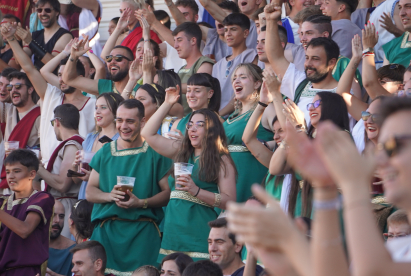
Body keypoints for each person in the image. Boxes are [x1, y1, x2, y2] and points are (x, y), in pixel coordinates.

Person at [142, 90, 236, 261]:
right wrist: (167, 103)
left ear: (212, 130)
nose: (192, 128)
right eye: (190, 124)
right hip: (173, 231)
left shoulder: (222, 160)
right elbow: (147, 133)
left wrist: (196, 191)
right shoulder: (181, 151)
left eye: (199, 125)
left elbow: (229, 200)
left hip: (198, 231)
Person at [86, 99, 172, 274]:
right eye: (119, 120)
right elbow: (90, 191)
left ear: (142, 122)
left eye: (130, 121)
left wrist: (141, 203)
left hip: (143, 235)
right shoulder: (106, 151)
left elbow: (168, 193)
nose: (123, 126)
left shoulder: (155, 151)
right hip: (107, 234)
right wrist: (110, 196)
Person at [0, 24, 96, 168]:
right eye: (59, 75)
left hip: (78, 175)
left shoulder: (94, 104)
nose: (62, 79)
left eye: (67, 75)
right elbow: (29, 68)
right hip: (46, 175)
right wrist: (11, 39)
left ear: (80, 77)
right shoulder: (51, 95)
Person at [264, 2, 341, 124]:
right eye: (306, 58)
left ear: (332, 63)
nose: (308, 63)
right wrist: (271, 21)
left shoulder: (343, 93)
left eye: (315, 59)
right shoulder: (301, 83)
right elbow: (275, 57)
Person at [0, 149, 54, 275]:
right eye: (7, 172)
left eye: (17, 171)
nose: (11, 176)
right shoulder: (2, 202)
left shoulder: (42, 198)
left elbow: (25, 230)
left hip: (28, 271)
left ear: (32, 174)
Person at [224, 63, 273, 202]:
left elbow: (288, 138)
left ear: (257, 83)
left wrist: (268, 144)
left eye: (243, 77)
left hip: (252, 182)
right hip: (228, 184)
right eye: (234, 78)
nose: (236, 81)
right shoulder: (231, 117)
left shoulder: (267, 109)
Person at [37, 104, 84, 238]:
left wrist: (39, 168)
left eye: (52, 123)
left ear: (56, 122)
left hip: (66, 207)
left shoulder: (71, 145)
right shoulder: (78, 142)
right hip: (63, 205)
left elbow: (63, 184)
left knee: (63, 249)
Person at [72, 93, 123, 200]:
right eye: (96, 108)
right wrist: (75, 165)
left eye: (103, 107)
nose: (97, 111)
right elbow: (76, 180)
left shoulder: (121, 140)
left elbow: (123, 175)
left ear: (116, 112)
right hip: (84, 200)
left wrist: (93, 178)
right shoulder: (89, 138)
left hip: (106, 199)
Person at [0, 71, 41, 190]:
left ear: (30, 89)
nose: (13, 90)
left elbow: (47, 151)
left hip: (29, 181)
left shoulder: (40, 115)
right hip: (8, 179)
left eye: (18, 87)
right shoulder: (7, 110)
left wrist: (25, 152)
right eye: (10, 87)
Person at [213, 13, 258, 116]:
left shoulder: (252, 56)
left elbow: (247, 93)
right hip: (218, 118)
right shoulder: (217, 65)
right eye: (226, 30)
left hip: (240, 116)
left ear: (246, 33)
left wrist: (217, 115)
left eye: (233, 29)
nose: (228, 34)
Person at [172, 22, 214, 115]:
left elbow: (198, 87)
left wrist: (167, 86)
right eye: (174, 41)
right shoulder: (182, 68)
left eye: (179, 40)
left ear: (193, 41)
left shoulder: (205, 63)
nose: (175, 46)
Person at [17, 0, 73, 69]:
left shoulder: (65, 35)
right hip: (36, 77)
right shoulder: (34, 35)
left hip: (54, 78)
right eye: (39, 10)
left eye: (48, 10)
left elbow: (53, 64)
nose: (43, 13)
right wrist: (16, 40)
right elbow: (19, 62)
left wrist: (31, 43)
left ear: (57, 12)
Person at [48, 200, 75, 276]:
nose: (57, 220)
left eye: (61, 216)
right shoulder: (32, 246)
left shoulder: (73, 249)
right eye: (53, 215)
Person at [382, 0, 411, 67]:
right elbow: (384, 76)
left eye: (409, 7)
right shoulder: (392, 47)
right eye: (400, 8)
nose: (401, 13)